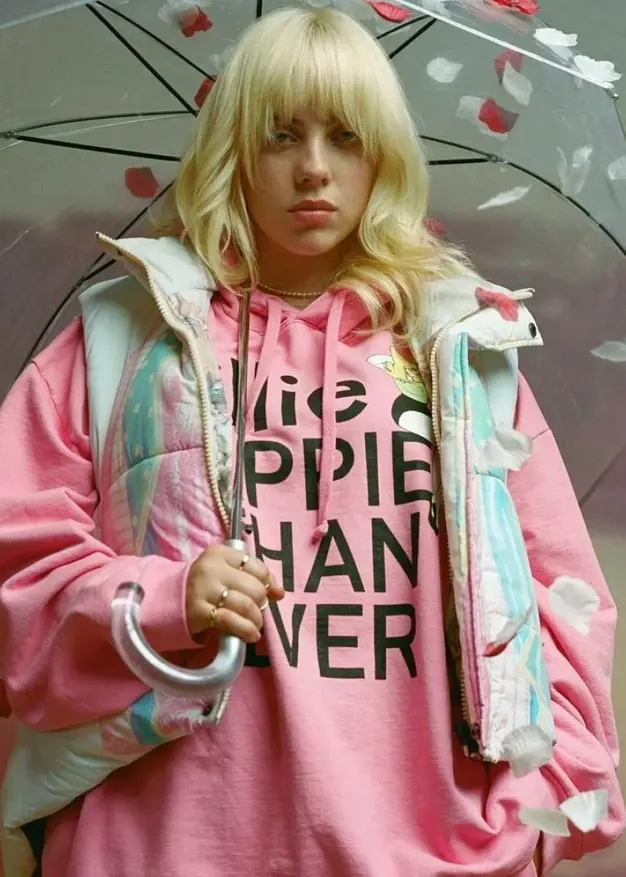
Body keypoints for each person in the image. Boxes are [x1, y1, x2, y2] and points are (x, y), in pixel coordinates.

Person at [0, 6, 623, 877]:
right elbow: (17, 566)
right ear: (233, 150)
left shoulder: (457, 349)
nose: (315, 168)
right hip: (162, 843)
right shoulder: (125, 336)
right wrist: (166, 595)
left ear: (385, 155)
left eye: (347, 135)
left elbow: (560, 599)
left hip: (426, 851)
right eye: (280, 135)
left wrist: (533, 804)